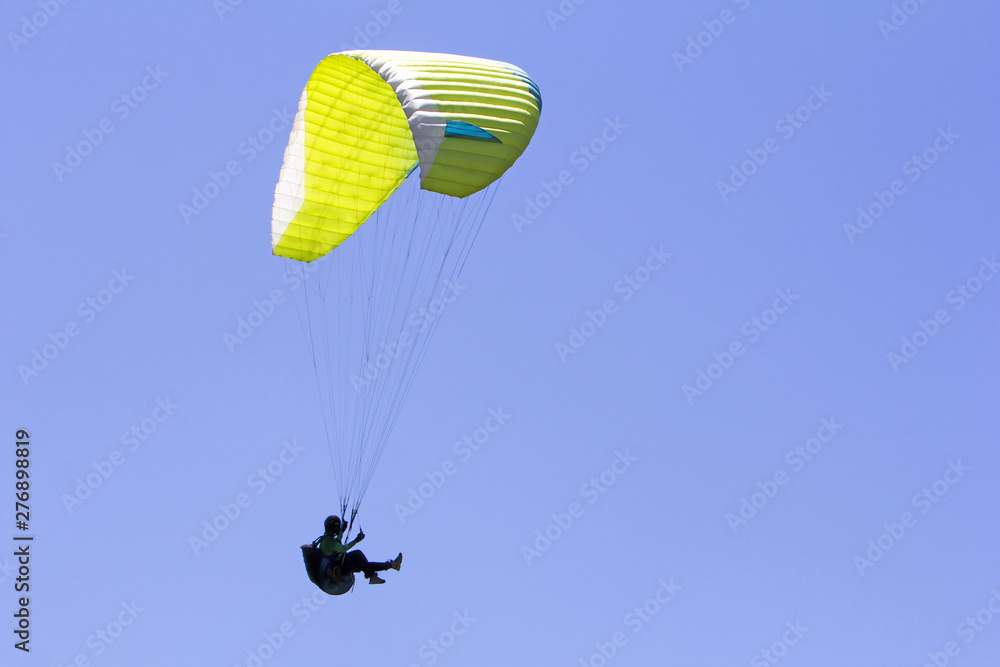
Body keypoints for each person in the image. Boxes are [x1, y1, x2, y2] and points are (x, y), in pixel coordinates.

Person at [311, 516, 401, 590]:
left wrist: (341, 532)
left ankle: (389, 567)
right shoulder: (327, 540)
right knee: (358, 555)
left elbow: (337, 542)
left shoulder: (327, 539)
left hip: (339, 567)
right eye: (335, 526)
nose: (337, 528)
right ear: (329, 527)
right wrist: (356, 541)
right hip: (336, 569)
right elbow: (342, 549)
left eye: (338, 526)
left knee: (365, 565)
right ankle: (378, 572)